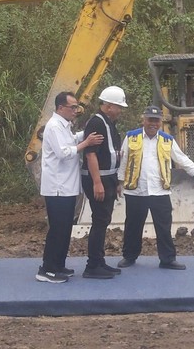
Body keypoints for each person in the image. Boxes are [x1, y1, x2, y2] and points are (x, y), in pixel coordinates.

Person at [116, 106, 194, 270]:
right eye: (150, 120)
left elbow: (181, 158)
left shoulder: (167, 139)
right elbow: (124, 160)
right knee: (133, 225)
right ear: (143, 120)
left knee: (163, 227)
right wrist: (119, 182)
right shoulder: (131, 137)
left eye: (156, 120)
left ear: (161, 122)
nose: (153, 124)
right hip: (136, 190)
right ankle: (129, 256)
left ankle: (167, 259)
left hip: (159, 190)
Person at [36, 92, 103, 283]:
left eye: (76, 107)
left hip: (67, 187)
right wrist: (86, 143)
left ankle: (58, 264)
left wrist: (86, 133)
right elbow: (63, 153)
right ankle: (47, 269)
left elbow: (71, 140)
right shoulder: (54, 126)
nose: (76, 110)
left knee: (65, 228)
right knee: (57, 229)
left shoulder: (64, 126)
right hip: (57, 187)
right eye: (72, 107)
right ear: (60, 108)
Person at [81, 85, 127, 279]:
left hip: (108, 177)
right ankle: (92, 266)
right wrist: (97, 182)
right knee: (99, 221)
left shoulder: (108, 123)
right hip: (97, 178)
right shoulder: (97, 123)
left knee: (104, 220)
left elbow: (112, 153)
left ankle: (99, 261)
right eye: (118, 107)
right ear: (109, 106)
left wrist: (115, 181)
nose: (120, 110)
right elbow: (91, 154)